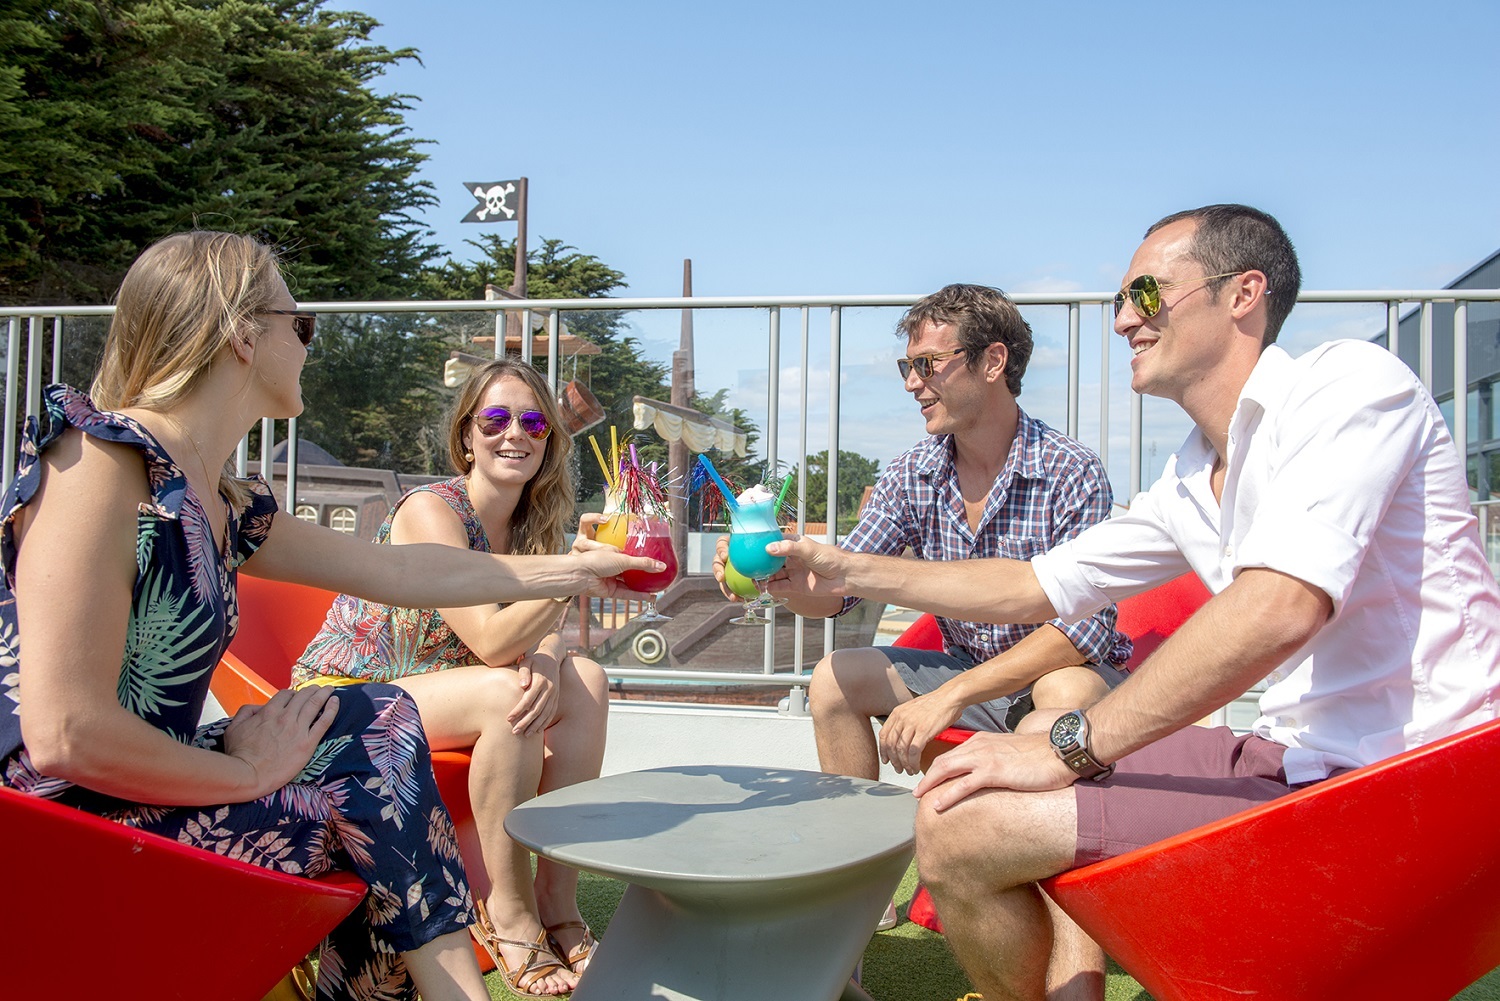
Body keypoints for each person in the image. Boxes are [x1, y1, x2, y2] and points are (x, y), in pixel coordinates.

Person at [764, 205, 1500, 1000]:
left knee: (1040, 736)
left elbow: (1277, 605)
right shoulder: (1191, 475)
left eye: (1146, 294)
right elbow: (1028, 584)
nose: (1121, 320)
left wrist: (1062, 748)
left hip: (1416, 781)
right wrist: (841, 567)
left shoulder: (1349, 383)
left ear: (1243, 293)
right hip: (1292, 758)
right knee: (955, 802)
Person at [0, 232, 661, 1001]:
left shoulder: (220, 500)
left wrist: (582, 567)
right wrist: (246, 769)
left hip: (150, 787)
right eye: (300, 324)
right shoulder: (96, 462)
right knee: (372, 785)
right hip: (65, 827)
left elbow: (398, 570)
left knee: (382, 731)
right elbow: (62, 734)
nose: (309, 345)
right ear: (243, 334)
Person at [715, 285, 1129, 791]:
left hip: (1055, 673)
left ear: (993, 361)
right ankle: (854, 858)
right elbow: (840, 594)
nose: (912, 383)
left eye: (928, 364)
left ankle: (1037, 856)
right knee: (833, 678)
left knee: (1066, 689)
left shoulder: (1071, 470)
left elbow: (1083, 634)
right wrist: (786, 576)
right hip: (966, 670)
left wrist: (950, 695)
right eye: (907, 367)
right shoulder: (912, 472)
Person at [293, 358, 608, 997]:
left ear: (550, 438)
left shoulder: (530, 521)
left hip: (443, 690)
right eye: (494, 418)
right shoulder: (429, 511)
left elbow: (536, 631)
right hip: (349, 695)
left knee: (589, 680)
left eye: (533, 421)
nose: (513, 432)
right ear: (466, 435)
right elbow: (493, 641)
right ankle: (508, 916)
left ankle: (558, 904)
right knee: (508, 692)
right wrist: (572, 576)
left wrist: (548, 658)